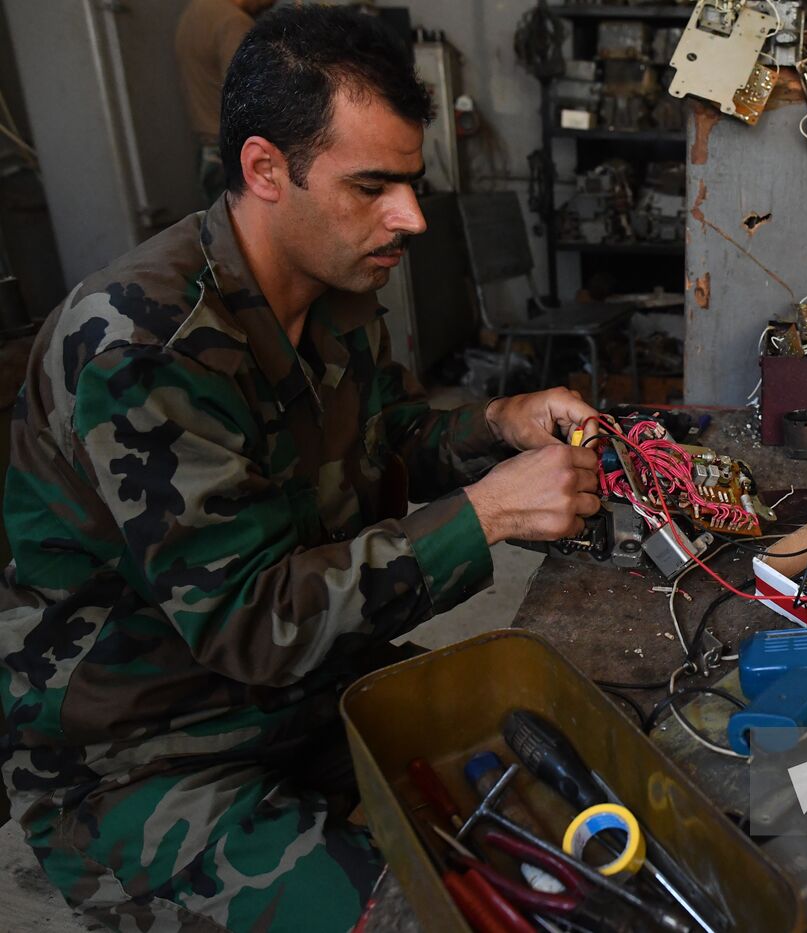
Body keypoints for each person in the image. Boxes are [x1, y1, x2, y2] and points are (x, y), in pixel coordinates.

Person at [0, 7, 601, 930]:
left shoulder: (334, 290)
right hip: (148, 751)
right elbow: (252, 619)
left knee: (568, 772)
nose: (409, 217)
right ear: (264, 170)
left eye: (412, 182)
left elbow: (387, 437)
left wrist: (494, 422)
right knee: (417, 916)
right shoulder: (138, 345)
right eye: (373, 187)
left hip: (304, 693)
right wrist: (488, 516)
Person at [175, 0, 276, 202]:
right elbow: (252, 96)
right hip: (236, 157)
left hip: (210, 155)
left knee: (223, 231)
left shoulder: (195, 12)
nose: (272, 3)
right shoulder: (233, 22)